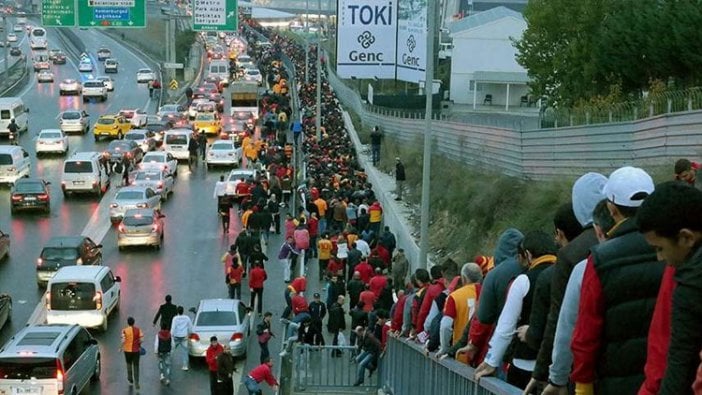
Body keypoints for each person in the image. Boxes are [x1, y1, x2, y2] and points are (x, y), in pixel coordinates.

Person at [571, 166, 663, 395]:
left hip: (614, 382)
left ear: (611, 208)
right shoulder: (674, 247)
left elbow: (586, 332)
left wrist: (583, 385)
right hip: (666, 377)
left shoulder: (601, 259)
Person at [530, 172, 607, 390]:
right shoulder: (645, 242)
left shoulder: (571, 256)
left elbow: (561, 320)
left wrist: (547, 373)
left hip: (585, 369)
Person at [637, 181, 702, 393]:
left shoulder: (690, 284)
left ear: (686, 237)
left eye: (660, 248)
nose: (659, 258)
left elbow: (680, 360)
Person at [474, 231, 558, 389]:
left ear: (528, 254)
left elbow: (506, 326)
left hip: (525, 364)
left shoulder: (523, 280)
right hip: (557, 366)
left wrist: (491, 361)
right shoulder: (567, 273)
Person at [120, 316, 144, 390]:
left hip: (127, 351)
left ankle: (130, 378)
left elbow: (123, 340)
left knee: (129, 364)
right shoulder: (138, 330)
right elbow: (142, 339)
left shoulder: (124, 330)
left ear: (128, 323)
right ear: (134, 322)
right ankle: (137, 382)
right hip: (136, 351)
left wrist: (120, 347)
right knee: (136, 366)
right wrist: (138, 344)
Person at [171, 305, 193, 370]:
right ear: (183, 311)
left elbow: (173, 328)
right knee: (185, 351)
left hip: (176, 337)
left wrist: (171, 335)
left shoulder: (175, 318)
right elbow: (190, 327)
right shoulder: (187, 318)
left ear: (177, 311)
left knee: (171, 349)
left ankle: (169, 361)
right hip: (184, 337)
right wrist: (189, 334)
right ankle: (185, 365)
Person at [154, 321, 173, 386]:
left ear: (161, 327)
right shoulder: (170, 335)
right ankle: (167, 379)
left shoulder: (158, 335)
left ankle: (162, 375)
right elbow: (172, 344)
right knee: (168, 365)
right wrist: (171, 351)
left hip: (161, 352)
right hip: (167, 351)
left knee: (160, 362)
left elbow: (156, 344)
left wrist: (156, 351)